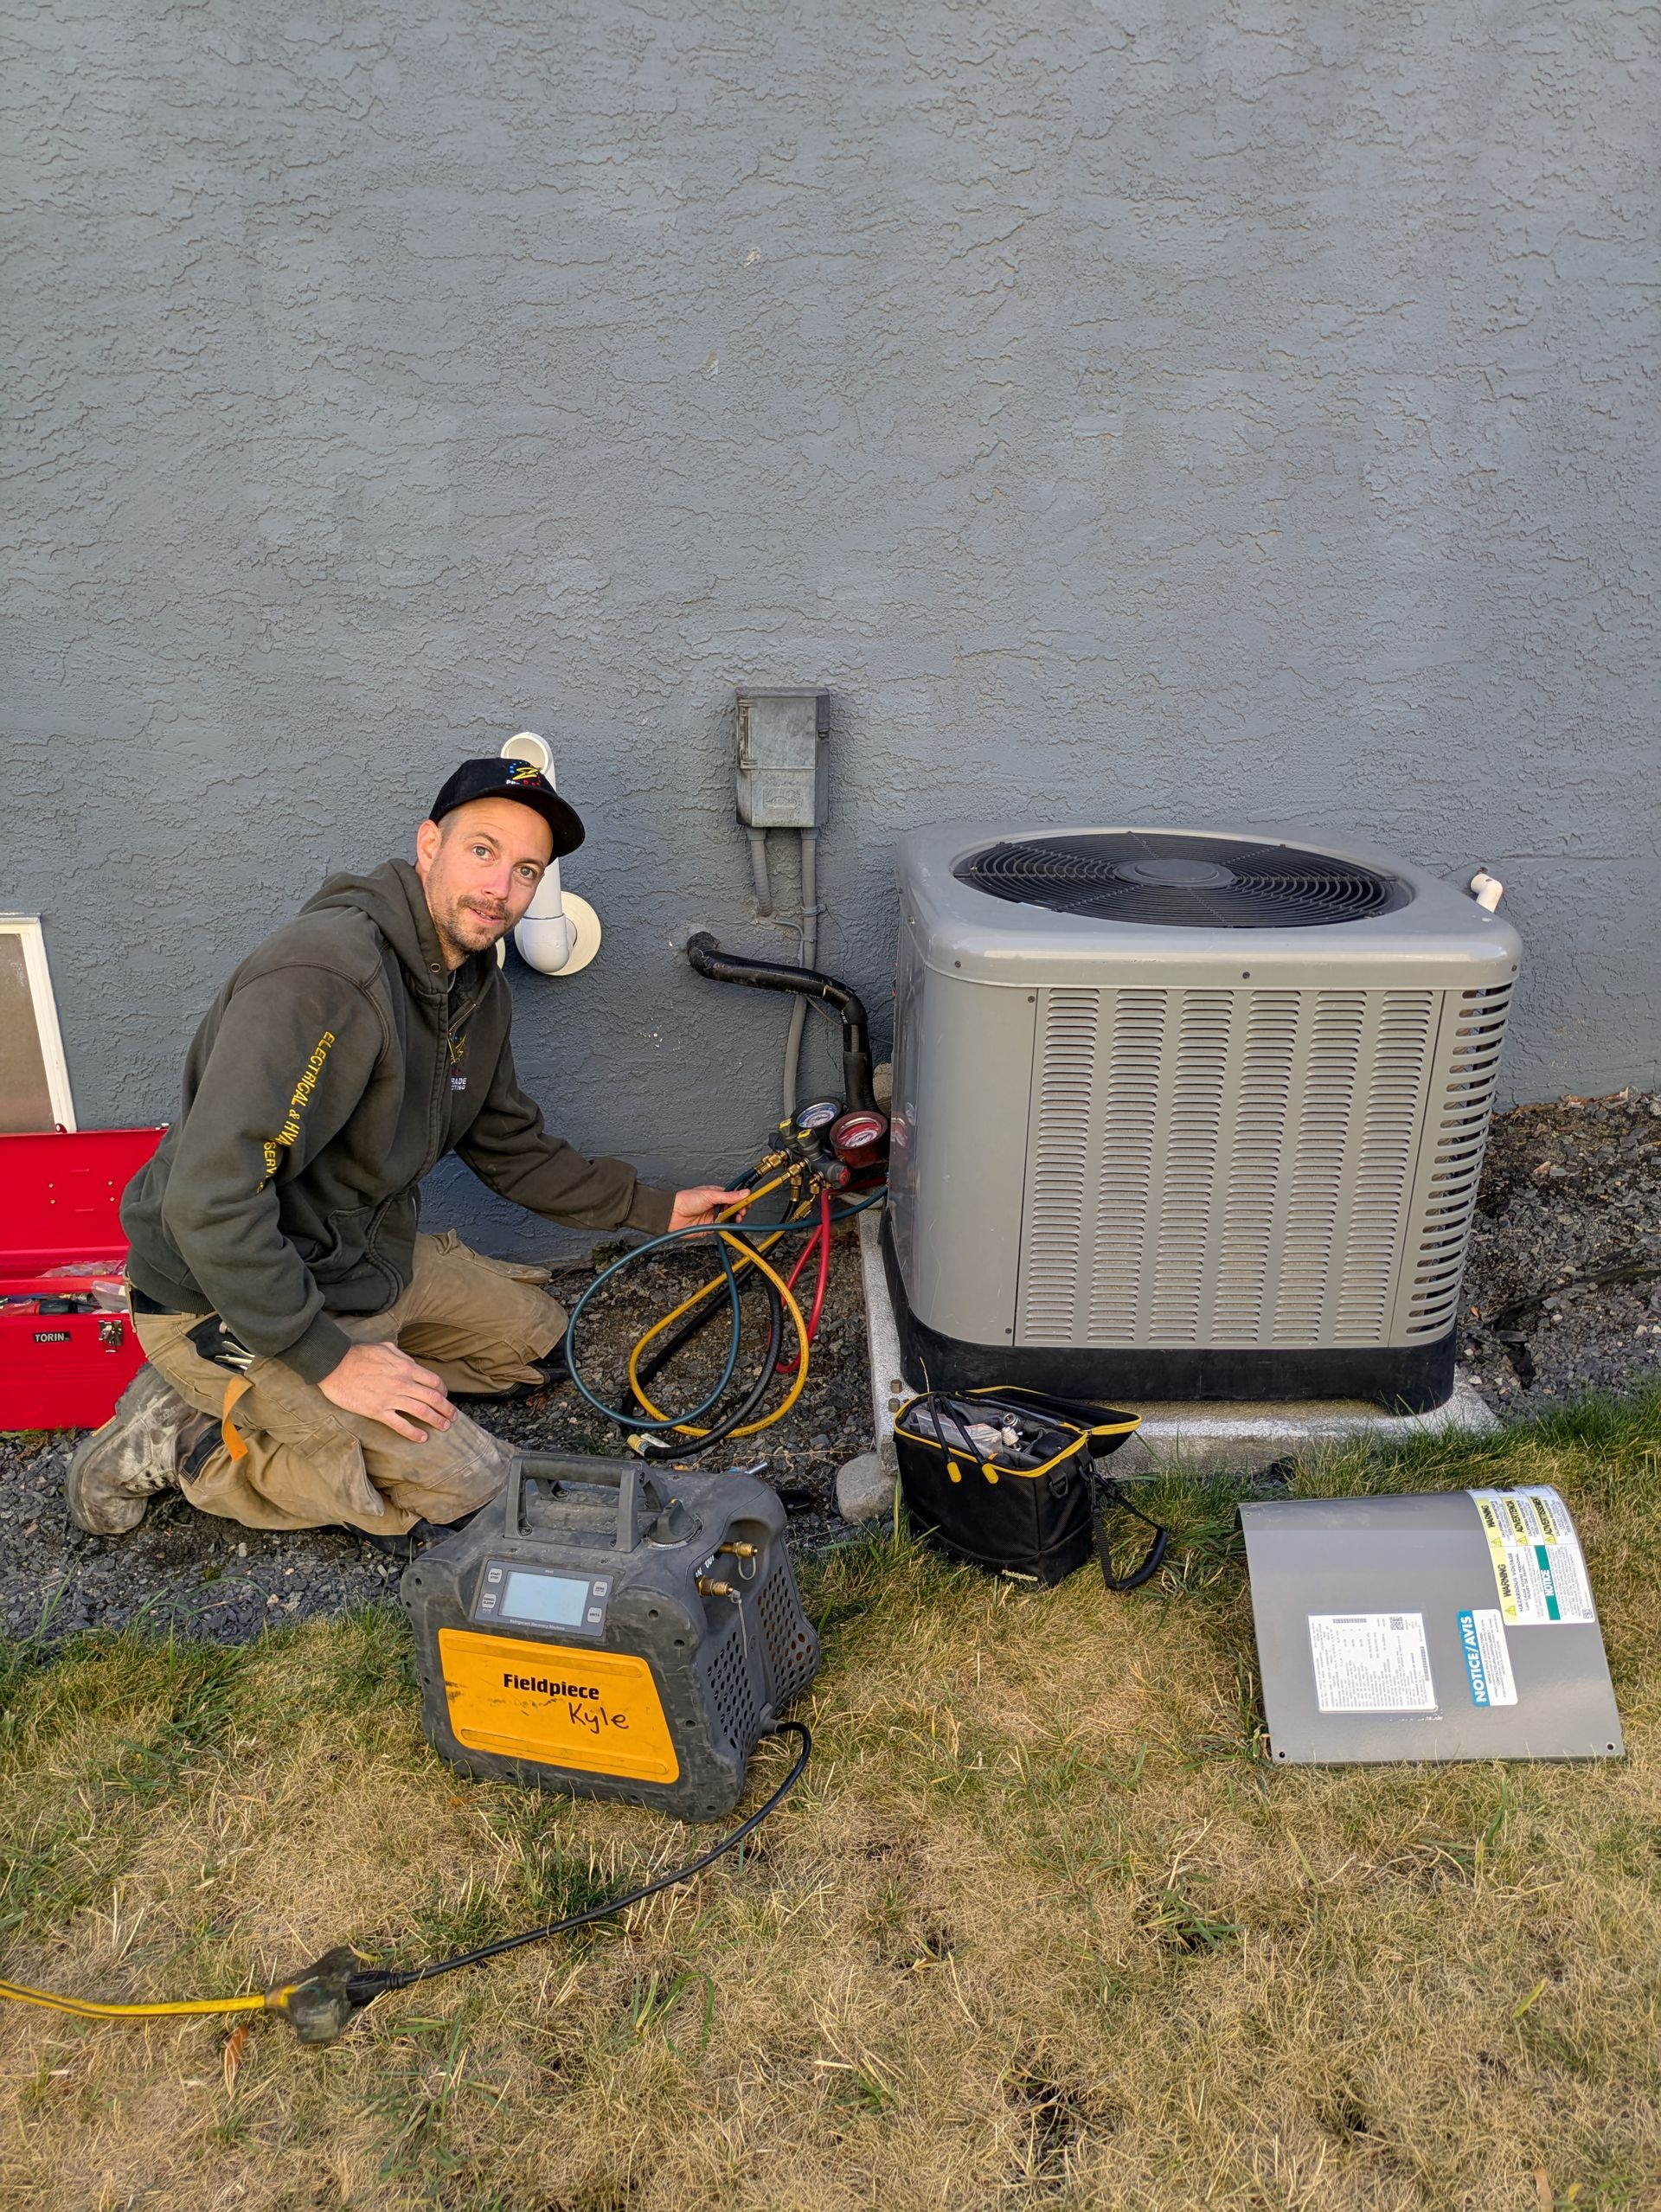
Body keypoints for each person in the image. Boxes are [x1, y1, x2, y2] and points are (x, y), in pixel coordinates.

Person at [67, 757, 745, 1548]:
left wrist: (655, 1206)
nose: (500, 887)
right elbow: (208, 1200)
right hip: (215, 1291)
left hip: (356, 1260)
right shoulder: (324, 977)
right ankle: (180, 1441)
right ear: (429, 845)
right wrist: (328, 1358)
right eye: (482, 851)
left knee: (529, 1342)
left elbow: (508, 1143)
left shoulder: (472, 983)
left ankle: (302, 1381)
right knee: (465, 1483)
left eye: (526, 870)